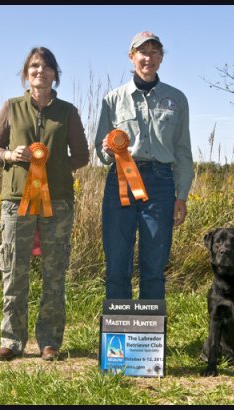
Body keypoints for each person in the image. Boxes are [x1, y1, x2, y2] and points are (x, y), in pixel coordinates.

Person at [0, 47, 89, 361]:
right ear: (26, 74)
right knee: (13, 271)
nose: (39, 71)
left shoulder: (68, 111)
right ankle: (11, 341)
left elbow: (83, 156)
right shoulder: (10, 107)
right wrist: (9, 155)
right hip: (16, 202)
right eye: (33, 66)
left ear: (54, 73)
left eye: (45, 66)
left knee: (54, 273)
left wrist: (56, 167)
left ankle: (50, 343)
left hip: (57, 203)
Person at [95, 31, 193, 302]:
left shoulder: (177, 99)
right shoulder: (112, 99)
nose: (148, 58)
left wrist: (181, 196)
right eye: (142, 52)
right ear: (132, 57)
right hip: (120, 184)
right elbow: (100, 151)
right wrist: (106, 150)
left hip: (161, 183)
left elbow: (183, 151)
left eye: (154, 52)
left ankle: (150, 341)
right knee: (117, 263)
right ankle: (119, 338)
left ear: (161, 57)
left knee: (154, 264)